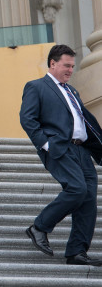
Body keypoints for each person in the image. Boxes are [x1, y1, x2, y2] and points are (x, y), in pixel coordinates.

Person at [20, 44, 102, 265]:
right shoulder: (37, 87)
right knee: (77, 188)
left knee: (88, 200)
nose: (70, 70)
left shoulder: (72, 91)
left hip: (81, 149)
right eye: (66, 65)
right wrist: (45, 145)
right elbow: (27, 119)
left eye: (73, 66)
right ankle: (39, 227)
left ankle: (77, 251)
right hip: (59, 147)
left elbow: (84, 122)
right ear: (52, 63)